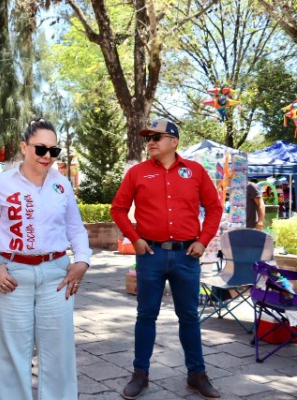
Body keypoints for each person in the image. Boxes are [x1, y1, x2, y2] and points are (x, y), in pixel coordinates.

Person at [0, 117, 91, 400]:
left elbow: (75, 228)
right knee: (11, 355)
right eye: (40, 148)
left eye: (54, 150)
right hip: (12, 276)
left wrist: (82, 261)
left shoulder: (62, 185)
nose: (47, 156)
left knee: (59, 354)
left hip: (56, 276)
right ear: (24, 147)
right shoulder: (2, 183)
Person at [110, 119, 223, 400]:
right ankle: (140, 374)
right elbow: (118, 209)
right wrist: (134, 238)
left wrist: (203, 240)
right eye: (148, 137)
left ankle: (197, 374)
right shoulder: (137, 173)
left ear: (174, 141)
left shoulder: (195, 171)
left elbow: (214, 207)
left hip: (187, 256)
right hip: (150, 255)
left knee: (189, 316)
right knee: (146, 315)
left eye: (157, 137)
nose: (150, 142)